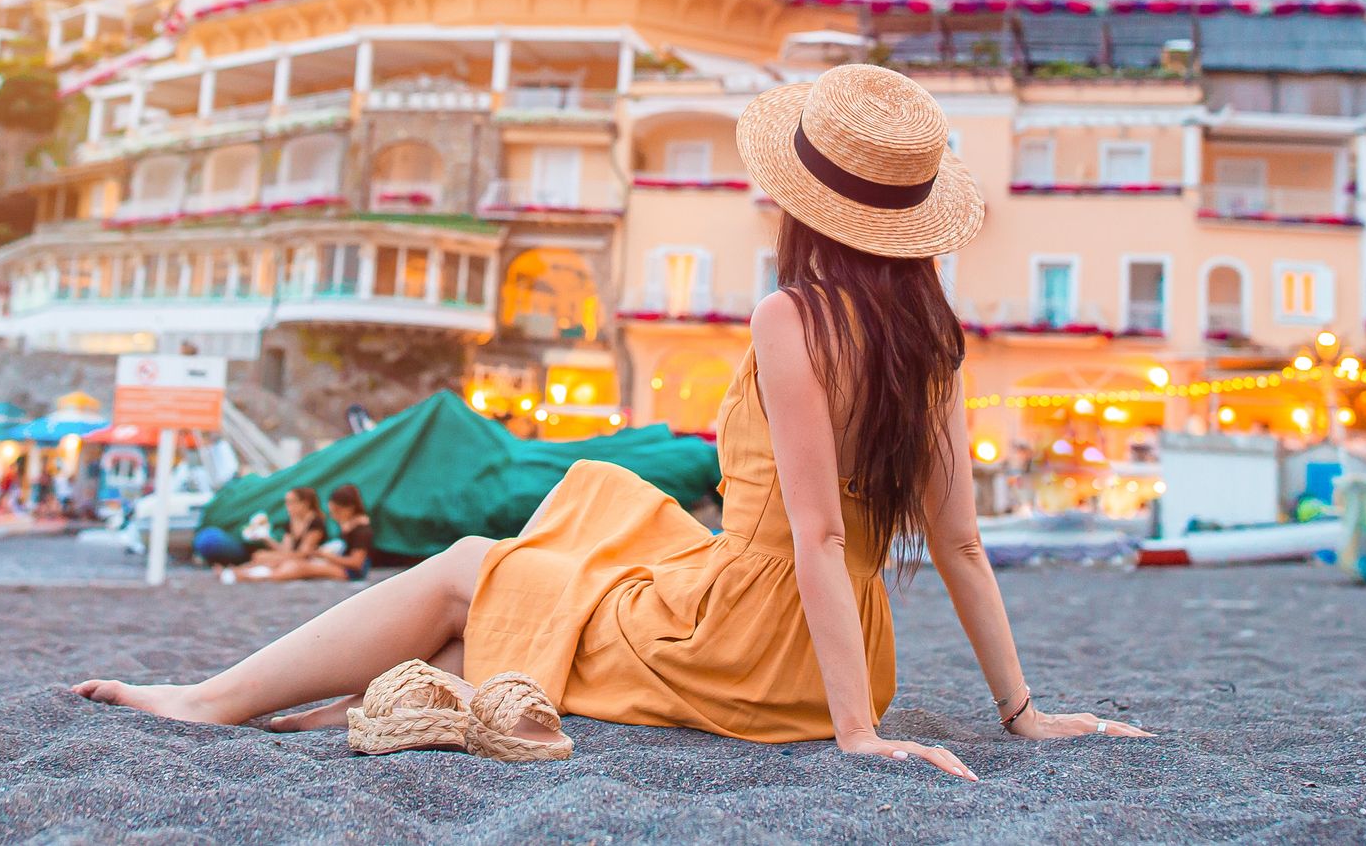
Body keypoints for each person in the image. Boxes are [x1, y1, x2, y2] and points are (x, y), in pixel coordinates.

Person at [75, 66, 1150, 775]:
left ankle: (211, 702)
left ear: (803, 206)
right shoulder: (929, 339)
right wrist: (1017, 712)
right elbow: (956, 541)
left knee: (466, 564)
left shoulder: (793, 319)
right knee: (606, 502)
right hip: (847, 658)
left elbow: (813, 536)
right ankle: (427, 682)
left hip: (749, 653)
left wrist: (859, 741)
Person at [227, 484, 376, 583]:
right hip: (336, 563)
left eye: (335, 511)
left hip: (351, 572)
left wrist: (325, 555)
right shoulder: (350, 526)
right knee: (270, 558)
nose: (333, 516)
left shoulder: (361, 529)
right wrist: (266, 537)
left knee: (298, 566)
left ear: (348, 508)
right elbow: (287, 550)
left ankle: (250, 575)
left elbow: (356, 563)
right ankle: (243, 572)